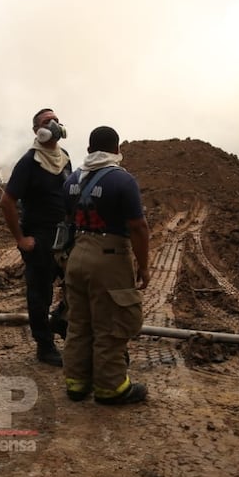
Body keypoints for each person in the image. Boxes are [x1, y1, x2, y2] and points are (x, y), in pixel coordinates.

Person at [61, 126, 150, 405]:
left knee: (78, 323)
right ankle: (111, 388)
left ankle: (76, 383)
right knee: (110, 324)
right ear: (117, 149)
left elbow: (67, 219)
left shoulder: (72, 180)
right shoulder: (123, 181)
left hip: (76, 255)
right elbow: (138, 227)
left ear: (88, 150)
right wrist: (144, 266)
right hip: (109, 258)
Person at [0, 108, 72, 366]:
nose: (52, 124)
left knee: (75, 286)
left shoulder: (64, 158)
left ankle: (60, 323)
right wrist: (21, 238)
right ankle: (44, 346)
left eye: (55, 120)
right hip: (39, 237)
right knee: (40, 294)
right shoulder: (29, 162)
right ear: (36, 131)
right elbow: (7, 201)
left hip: (63, 235)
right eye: (45, 122)